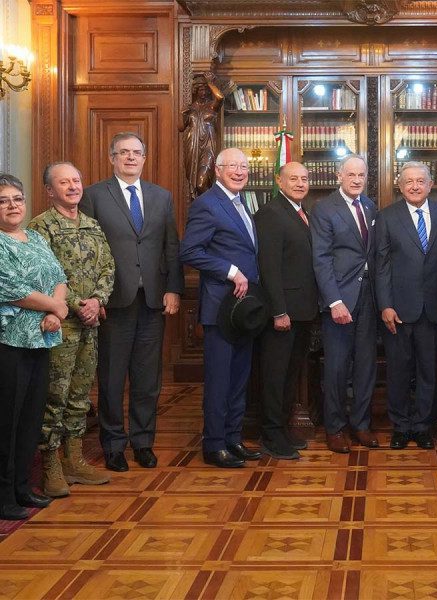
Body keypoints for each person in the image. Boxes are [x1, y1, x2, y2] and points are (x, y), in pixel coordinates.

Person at [81, 132, 184, 473]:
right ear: (112, 158)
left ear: (144, 158)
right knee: (111, 378)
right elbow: (88, 252)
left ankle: (143, 442)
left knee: (147, 379)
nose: (130, 158)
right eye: (123, 152)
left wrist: (174, 289)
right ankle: (113, 444)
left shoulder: (161, 196)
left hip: (152, 301)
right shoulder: (95, 195)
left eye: (136, 152)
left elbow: (172, 247)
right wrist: (94, 295)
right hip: (113, 302)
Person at [28, 163, 115, 497]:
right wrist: (81, 304)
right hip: (58, 325)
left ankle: (74, 460)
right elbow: (46, 276)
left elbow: (108, 266)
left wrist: (98, 300)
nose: (72, 187)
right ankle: (50, 466)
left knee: (80, 395)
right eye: (64, 182)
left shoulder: (93, 226)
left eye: (76, 181)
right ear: (50, 191)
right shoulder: (41, 227)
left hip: (90, 326)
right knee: (55, 396)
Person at [180, 147, 263, 468]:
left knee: (239, 377)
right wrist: (230, 271)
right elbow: (189, 251)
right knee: (219, 379)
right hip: (220, 309)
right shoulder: (207, 205)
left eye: (244, 167)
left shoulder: (242, 203)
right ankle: (214, 445)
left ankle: (232, 438)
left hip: (244, 309)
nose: (240, 172)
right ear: (218, 170)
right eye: (233, 167)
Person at [376, 161, 437, 450]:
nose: (414, 186)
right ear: (400, 186)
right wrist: (385, 305)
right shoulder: (387, 217)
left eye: (420, 181)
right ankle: (401, 426)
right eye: (409, 181)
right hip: (397, 310)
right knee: (398, 370)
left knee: (429, 370)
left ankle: (423, 426)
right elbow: (381, 265)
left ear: (430, 184)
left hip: (434, 308)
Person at [0, 173, 68, 519]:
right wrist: (55, 307)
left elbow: (59, 277)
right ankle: (3, 495)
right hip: (9, 342)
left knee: (30, 417)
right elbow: (12, 289)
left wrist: (58, 307)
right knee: (6, 420)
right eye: (4, 200)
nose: (13, 206)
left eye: (17, 199)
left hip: (41, 339)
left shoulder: (37, 237)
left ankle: (23, 488)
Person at [310, 155, 379, 454]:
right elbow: (321, 259)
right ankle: (335, 427)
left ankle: (361, 425)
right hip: (340, 300)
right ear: (339, 176)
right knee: (337, 368)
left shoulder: (370, 206)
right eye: (350, 174)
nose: (356, 179)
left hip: (370, 298)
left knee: (366, 365)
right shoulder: (324, 209)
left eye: (361, 175)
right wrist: (334, 301)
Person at [256, 161, 318, 460]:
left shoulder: (302, 213)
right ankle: (270, 435)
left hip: (303, 311)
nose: (299, 183)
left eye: (304, 179)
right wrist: (278, 311)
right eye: (293, 178)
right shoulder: (271, 213)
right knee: (275, 375)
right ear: (279, 182)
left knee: (291, 375)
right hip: (283, 313)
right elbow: (268, 266)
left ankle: (282, 429)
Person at [179, 72, 230, 199]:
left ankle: (210, 206)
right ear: (195, 91)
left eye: (206, 89)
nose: (204, 92)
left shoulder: (212, 106)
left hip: (208, 144)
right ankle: (200, 208)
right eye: (201, 89)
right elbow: (180, 127)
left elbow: (220, 97)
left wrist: (210, 82)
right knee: (194, 184)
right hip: (192, 144)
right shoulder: (190, 108)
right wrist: (183, 114)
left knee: (202, 183)